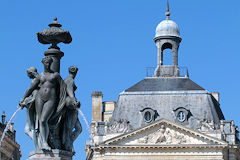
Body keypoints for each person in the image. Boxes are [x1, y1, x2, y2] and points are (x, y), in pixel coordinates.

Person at [20, 56, 66, 150]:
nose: (47, 65)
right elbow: (31, 88)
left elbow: (63, 87)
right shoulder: (40, 76)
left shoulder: (55, 75)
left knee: (43, 120)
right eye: (46, 63)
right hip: (39, 98)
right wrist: (23, 98)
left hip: (51, 99)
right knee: (40, 119)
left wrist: (63, 99)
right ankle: (43, 142)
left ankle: (45, 143)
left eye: (49, 63)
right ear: (43, 64)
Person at [62, 66, 82, 152]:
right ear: (75, 72)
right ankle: (68, 143)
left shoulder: (67, 79)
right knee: (73, 128)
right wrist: (74, 100)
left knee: (76, 128)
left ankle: (69, 143)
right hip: (70, 108)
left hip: (70, 107)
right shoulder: (69, 80)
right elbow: (69, 91)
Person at [20, 67, 39, 150]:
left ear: (31, 73)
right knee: (31, 129)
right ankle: (39, 143)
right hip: (36, 104)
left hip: (34, 106)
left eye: (28, 74)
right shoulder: (41, 78)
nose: (27, 76)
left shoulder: (35, 80)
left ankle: (38, 144)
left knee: (29, 129)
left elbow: (30, 90)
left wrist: (23, 99)